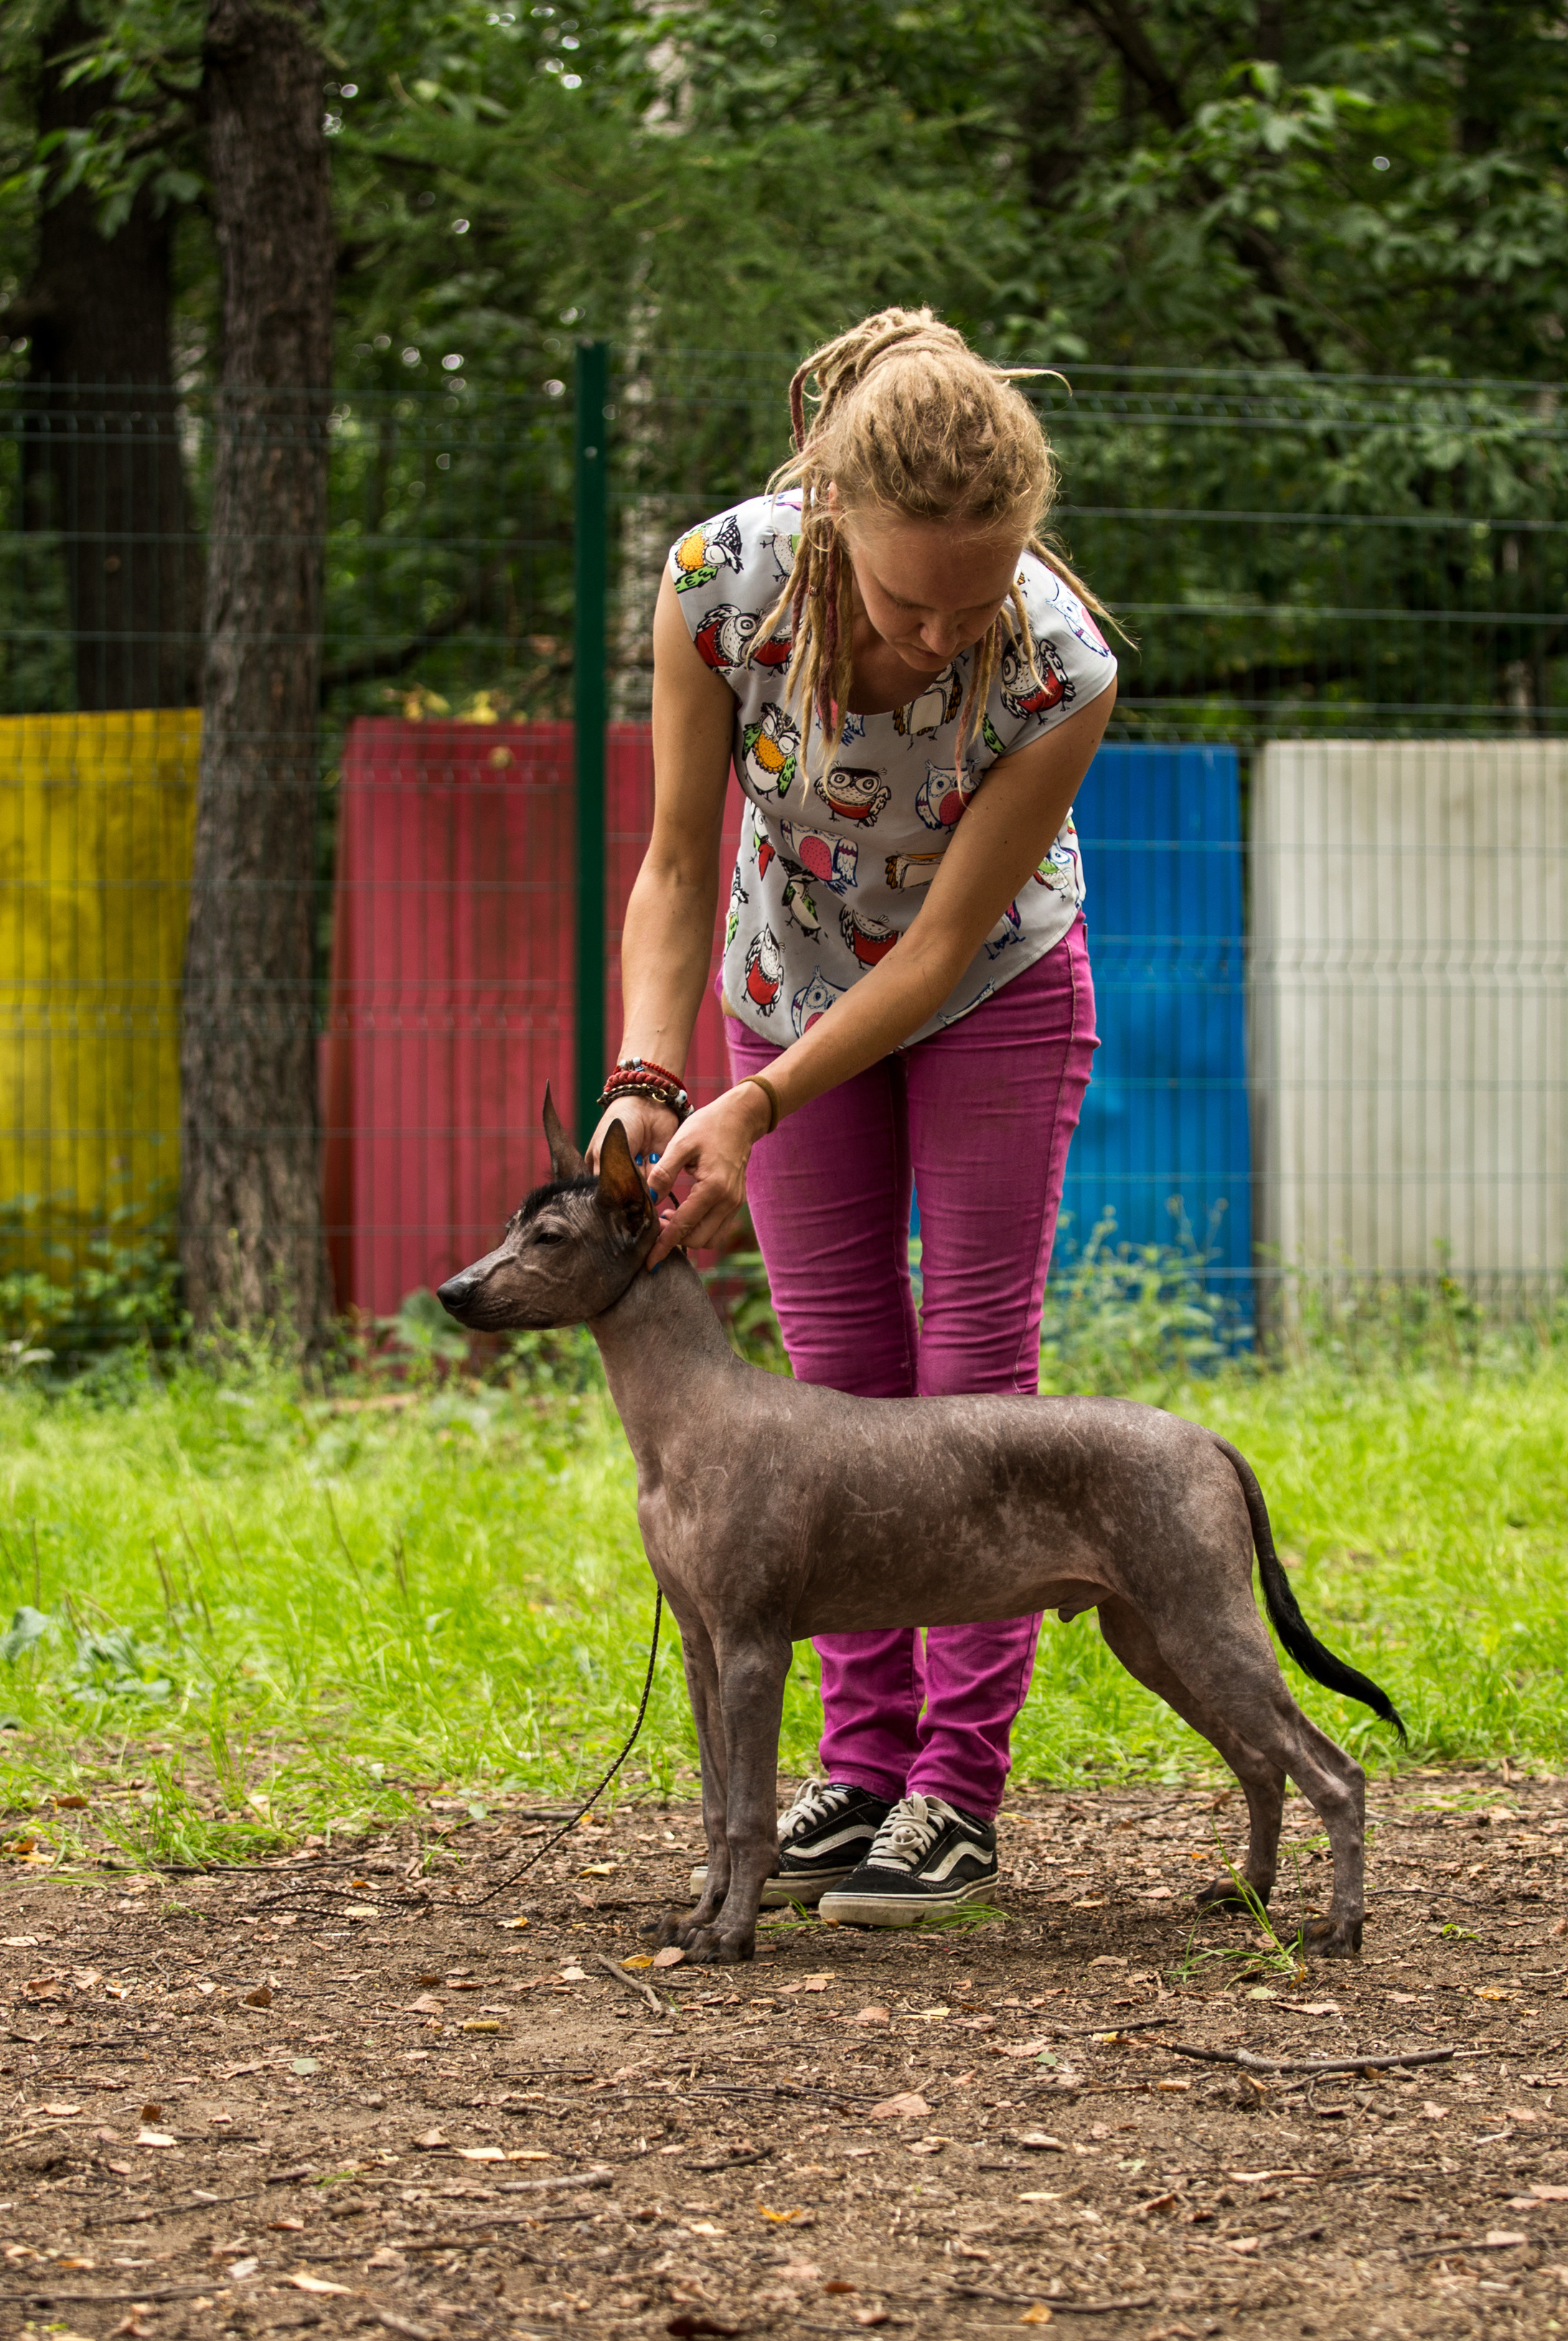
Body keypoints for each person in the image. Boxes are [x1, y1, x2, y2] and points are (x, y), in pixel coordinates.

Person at [592, 305, 1117, 1929]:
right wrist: (645, 1075)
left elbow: (945, 942)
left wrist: (751, 1103)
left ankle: (955, 1792)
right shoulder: (716, 588)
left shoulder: (1061, 663)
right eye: (908, 595)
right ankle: (863, 1761)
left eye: (980, 595)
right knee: (831, 1391)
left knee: (969, 1383)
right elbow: (679, 858)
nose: (947, 633)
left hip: (988, 993)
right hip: (776, 980)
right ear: (830, 517)